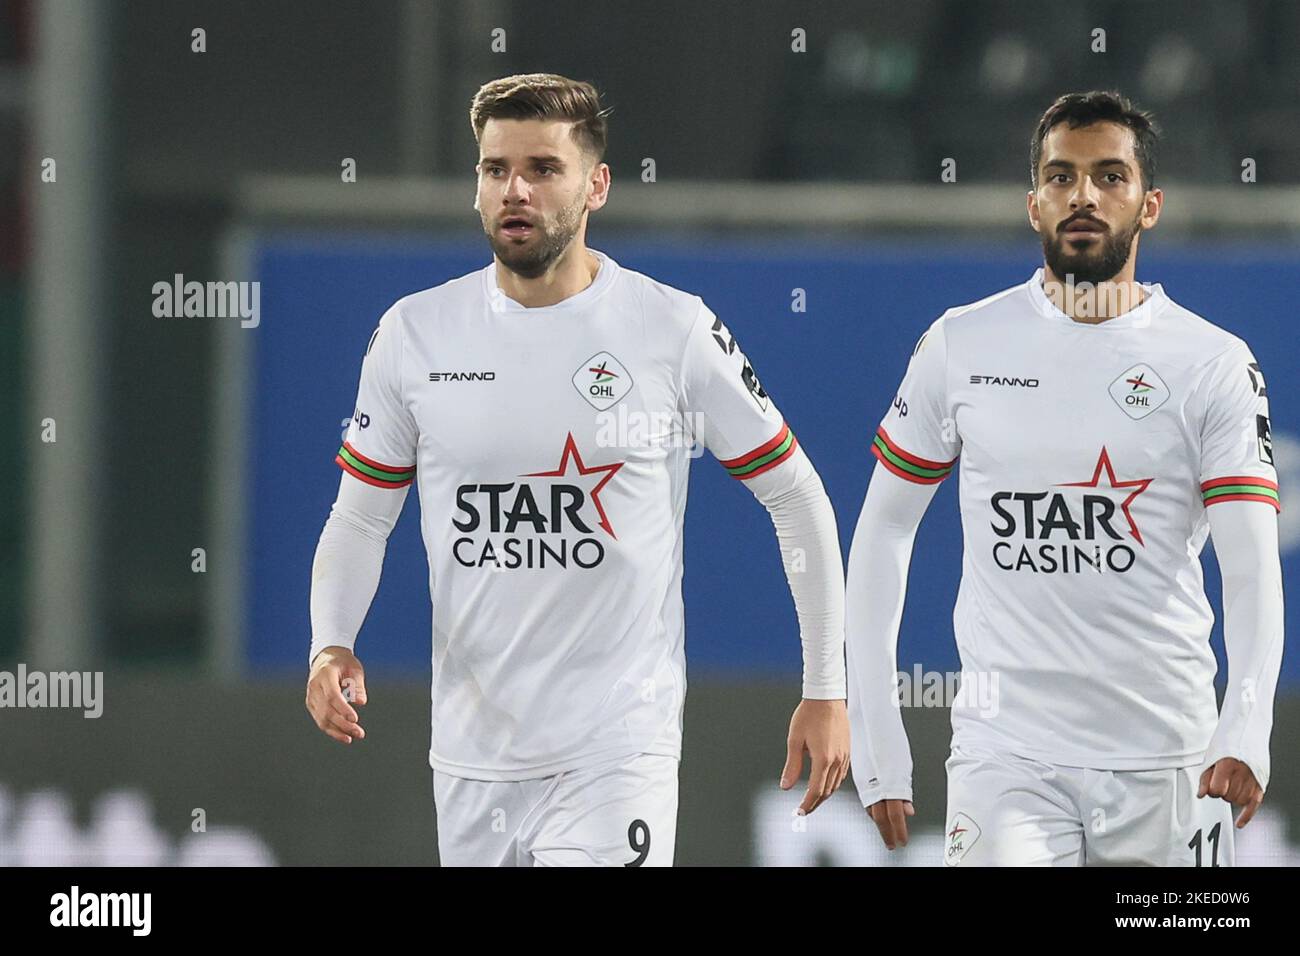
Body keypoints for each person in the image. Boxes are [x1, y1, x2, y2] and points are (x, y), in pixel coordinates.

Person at [305, 73, 849, 866]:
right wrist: (330, 642)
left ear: (596, 185)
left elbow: (795, 495)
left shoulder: (671, 328)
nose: (514, 190)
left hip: (615, 751)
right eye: (495, 170)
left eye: (542, 169)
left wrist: (826, 685)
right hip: (471, 759)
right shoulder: (414, 335)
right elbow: (359, 515)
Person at [847, 90, 1284, 866]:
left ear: (1149, 206)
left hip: (1167, 756)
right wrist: (877, 728)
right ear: (1033, 204)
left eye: (1110, 177)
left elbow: (1249, 567)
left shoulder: (1211, 362)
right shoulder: (962, 344)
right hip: (1005, 756)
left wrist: (1246, 727)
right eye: (1062, 177)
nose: (1083, 194)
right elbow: (884, 528)